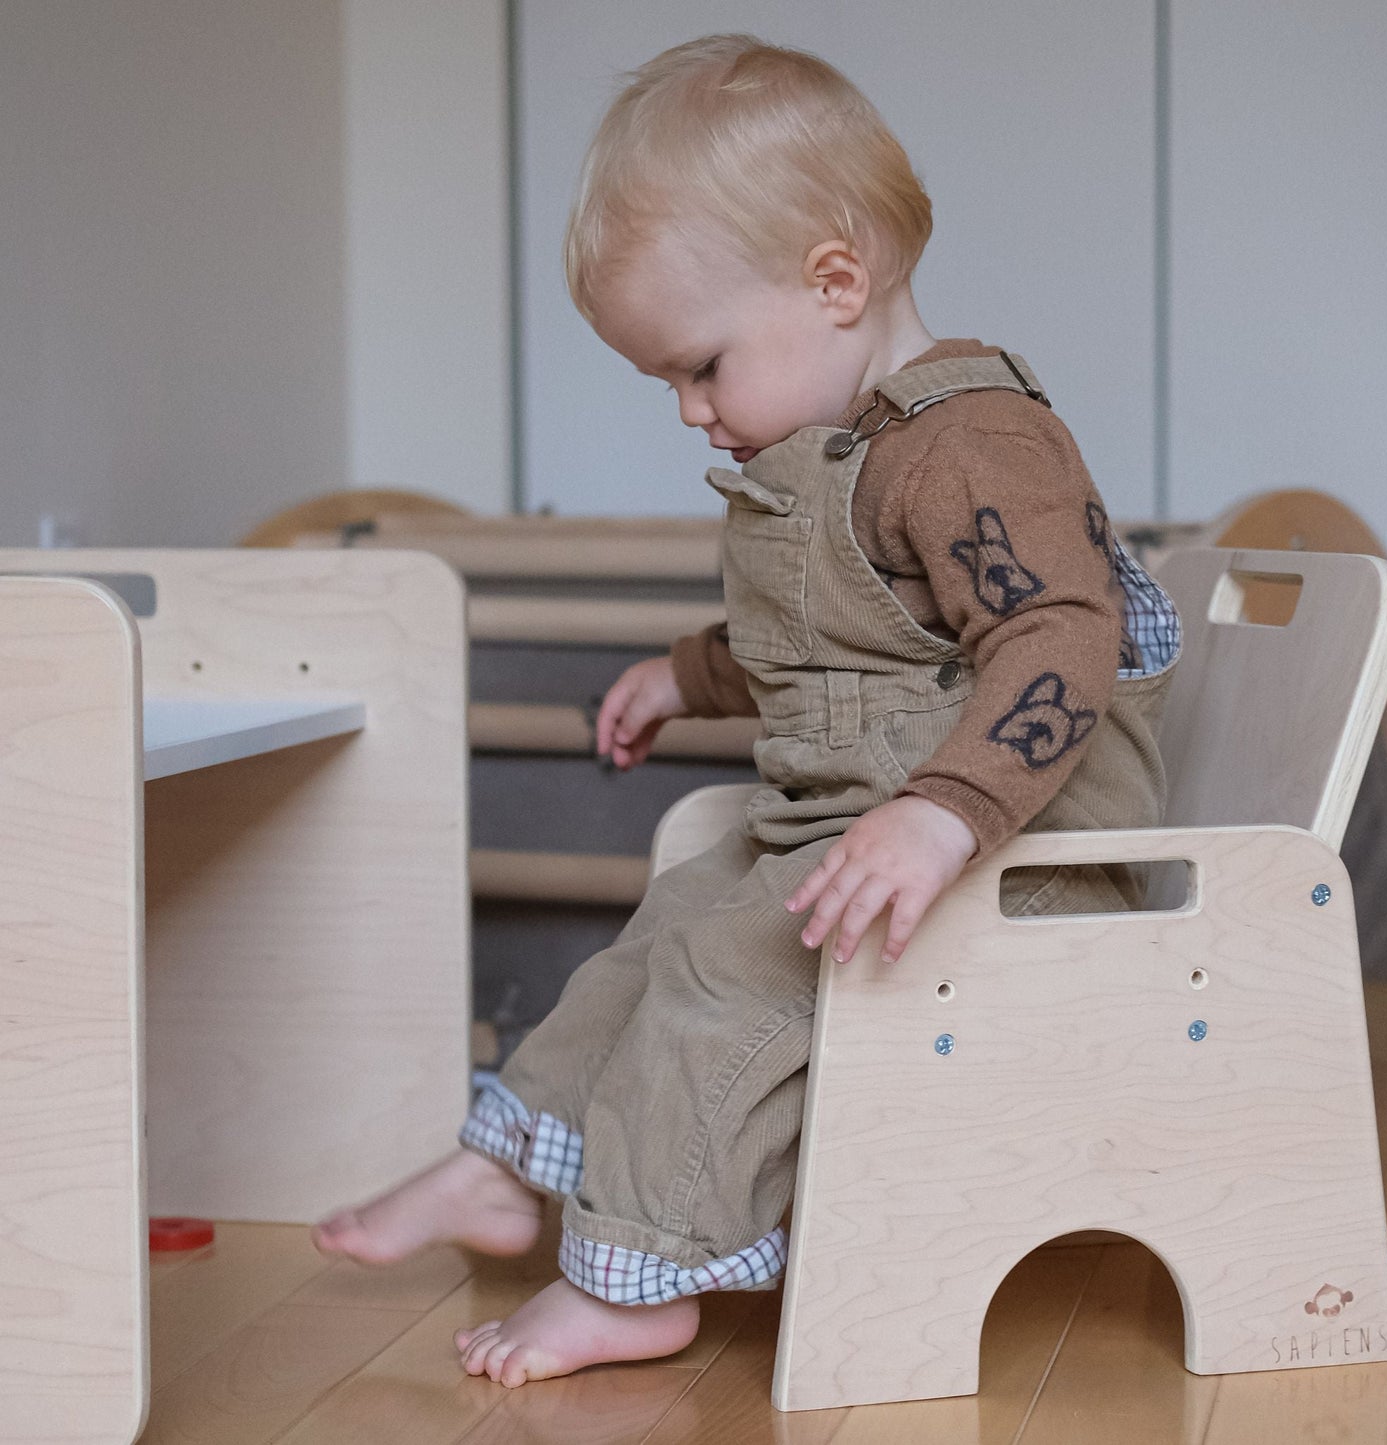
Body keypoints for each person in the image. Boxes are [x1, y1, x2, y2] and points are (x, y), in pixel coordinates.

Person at [312, 33, 1179, 1387]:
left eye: (700, 365)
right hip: (863, 831)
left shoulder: (972, 444)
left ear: (833, 282)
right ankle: (499, 1168)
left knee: (735, 973)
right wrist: (685, 675)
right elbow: (830, 632)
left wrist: (939, 818)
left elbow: (1059, 638)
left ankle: (636, 1272)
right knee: (669, 925)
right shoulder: (843, 453)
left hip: (1027, 856)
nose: (687, 410)